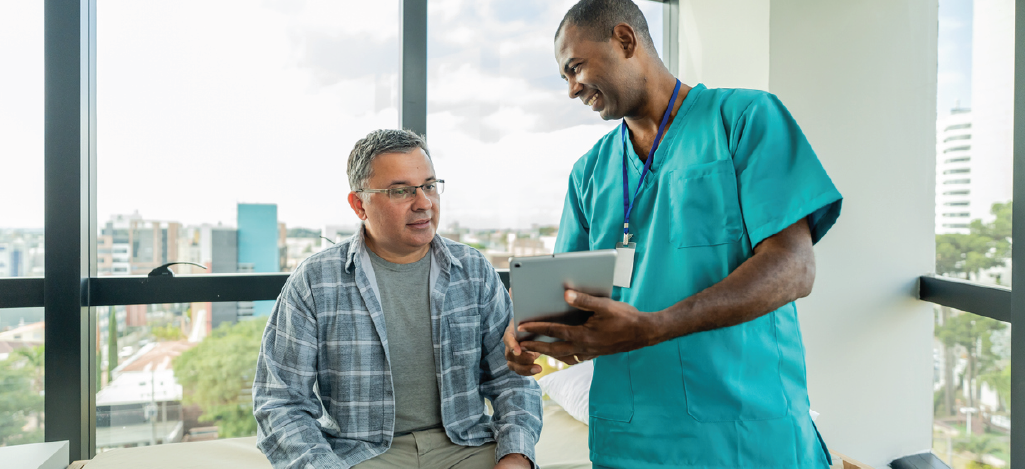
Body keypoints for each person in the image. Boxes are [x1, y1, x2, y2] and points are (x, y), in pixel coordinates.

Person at [503, 1, 843, 468]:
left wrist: (654, 327)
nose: (571, 90)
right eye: (564, 77)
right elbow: (573, 312)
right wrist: (531, 336)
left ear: (625, 40)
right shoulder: (590, 173)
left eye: (575, 67)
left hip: (746, 434)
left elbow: (794, 268)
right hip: (630, 439)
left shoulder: (743, 119)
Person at [254, 129, 542, 469]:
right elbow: (280, 402)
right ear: (359, 204)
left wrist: (516, 455)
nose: (424, 203)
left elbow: (511, 379)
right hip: (363, 454)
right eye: (401, 191)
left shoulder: (474, 269)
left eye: (430, 186)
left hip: (465, 446)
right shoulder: (315, 281)